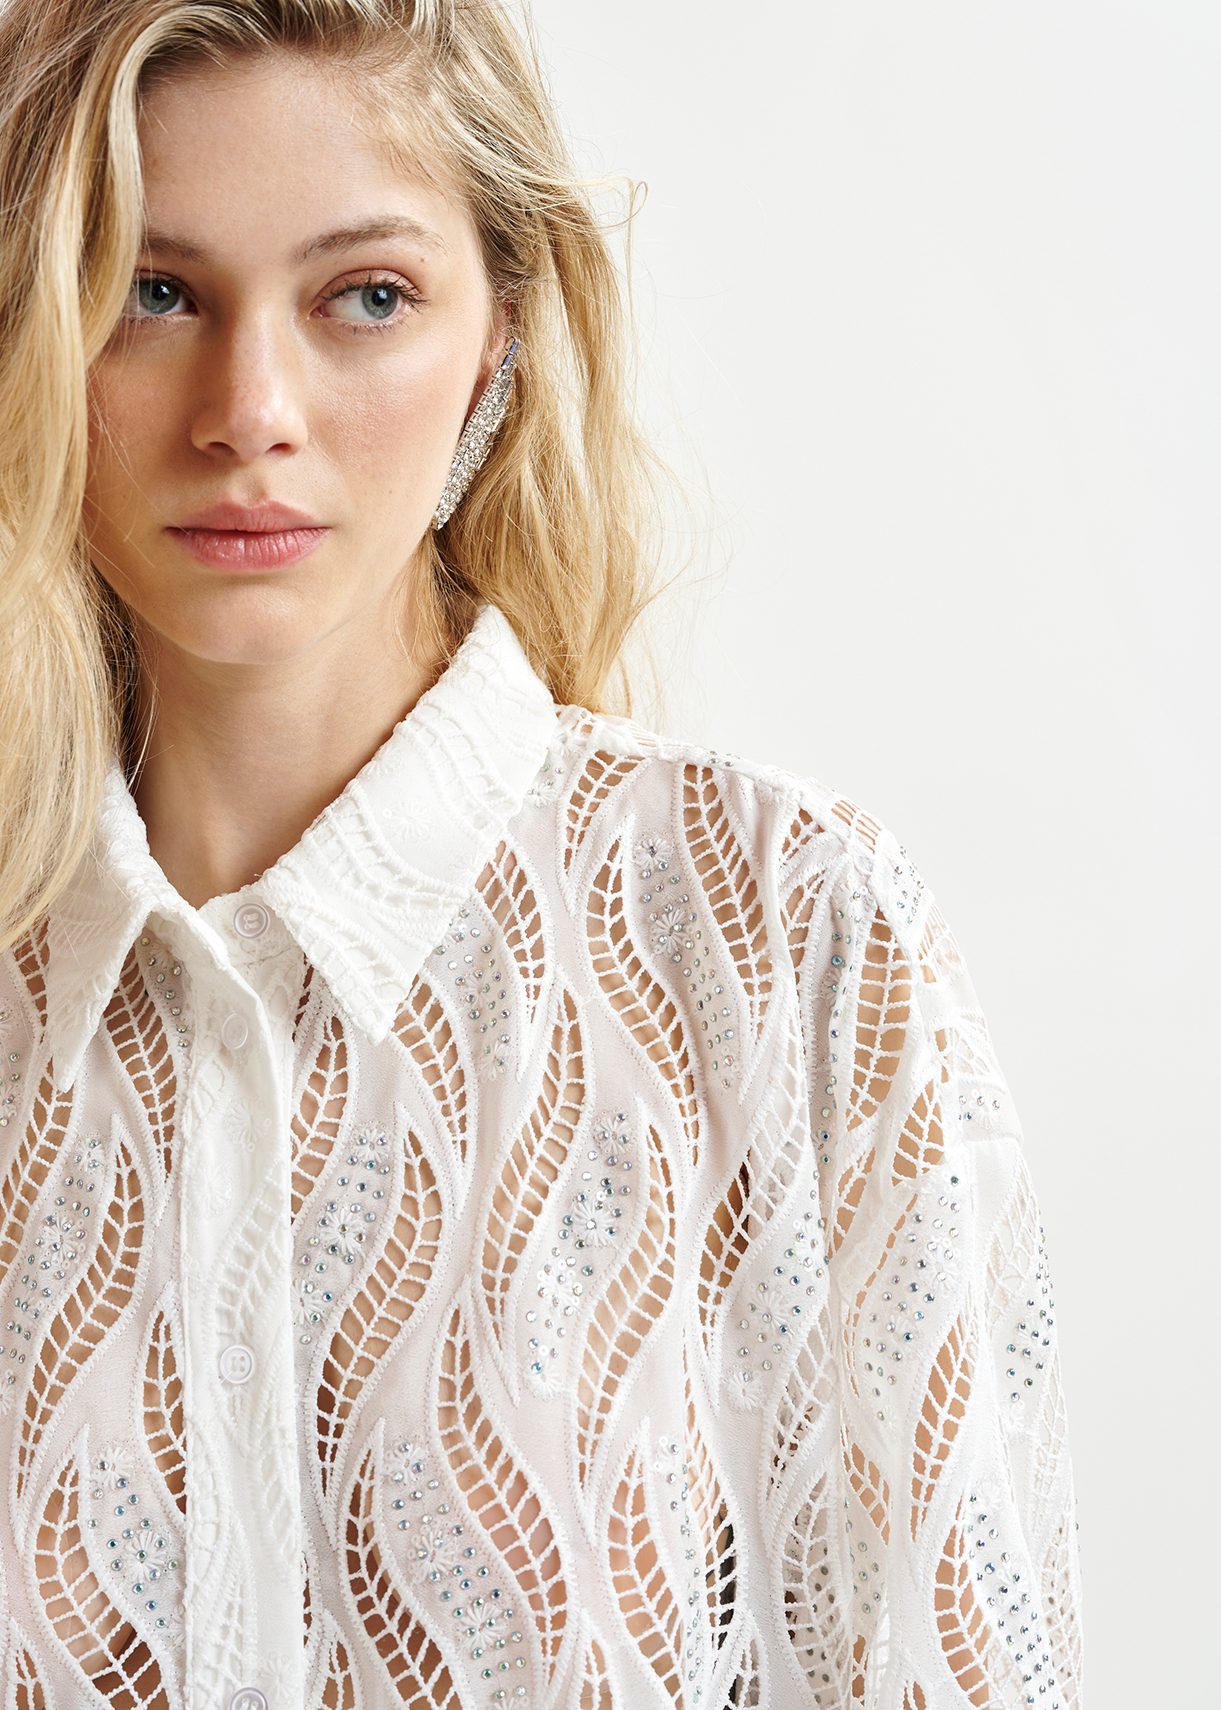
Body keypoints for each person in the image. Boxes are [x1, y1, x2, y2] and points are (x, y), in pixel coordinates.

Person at [0, 2, 1084, 1707]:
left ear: (497, 340)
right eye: (151, 291)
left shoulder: (782, 930)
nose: (250, 411)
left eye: (367, 296)